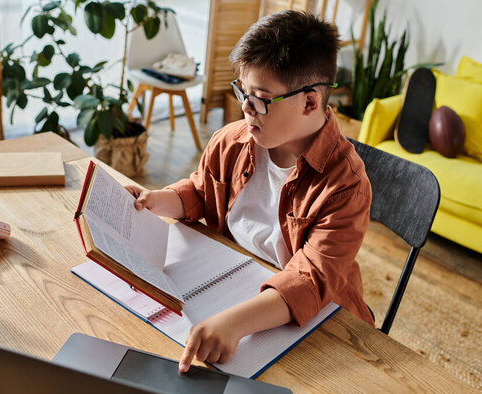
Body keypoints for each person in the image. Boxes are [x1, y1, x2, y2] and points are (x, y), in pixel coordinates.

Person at [125, 10, 374, 373]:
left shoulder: (346, 186)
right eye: (242, 90)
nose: (245, 108)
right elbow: (201, 188)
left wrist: (234, 324)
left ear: (309, 102)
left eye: (259, 98)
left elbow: (310, 282)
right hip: (233, 279)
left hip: (318, 320)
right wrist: (157, 201)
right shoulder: (232, 141)